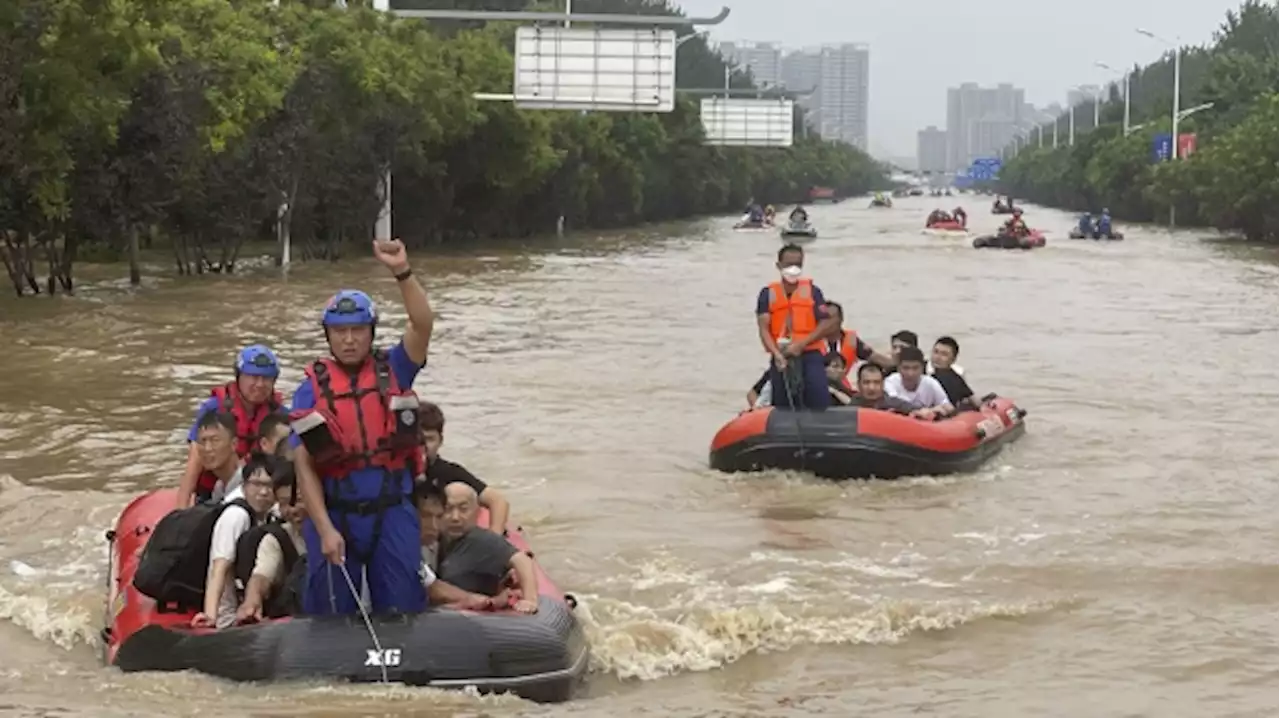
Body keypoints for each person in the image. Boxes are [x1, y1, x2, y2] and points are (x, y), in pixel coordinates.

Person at [290, 238, 435, 617]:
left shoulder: (396, 368)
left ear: (371, 332)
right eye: (340, 331)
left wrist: (402, 271)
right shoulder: (310, 390)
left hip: (392, 510)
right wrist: (323, 529)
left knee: (404, 608)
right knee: (330, 612)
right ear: (328, 336)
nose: (349, 339)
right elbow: (304, 465)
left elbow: (423, 323)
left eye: (357, 330)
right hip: (337, 512)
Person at [175, 344, 284, 508]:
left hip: (260, 491)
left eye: (266, 378)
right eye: (253, 377)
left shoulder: (280, 414)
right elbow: (195, 461)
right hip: (213, 491)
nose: (260, 384)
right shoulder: (214, 408)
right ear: (239, 377)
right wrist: (180, 511)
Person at [192, 452, 279, 629]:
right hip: (228, 619)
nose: (263, 492)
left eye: (270, 486)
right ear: (244, 486)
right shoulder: (236, 517)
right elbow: (219, 568)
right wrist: (211, 616)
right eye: (257, 484)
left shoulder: (270, 515)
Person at [755, 244, 838, 410]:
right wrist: (777, 354)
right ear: (779, 266)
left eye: (798, 265)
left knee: (818, 397)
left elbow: (825, 323)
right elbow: (764, 328)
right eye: (788, 264)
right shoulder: (767, 294)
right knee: (782, 402)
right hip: (781, 354)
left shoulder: (813, 292)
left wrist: (802, 344)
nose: (793, 269)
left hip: (810, 352)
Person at [437, 482, 539, 613]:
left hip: (475, 615)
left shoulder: (483, 540)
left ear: (477, 512)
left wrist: (530, 599)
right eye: (448, 509)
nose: (455, 517)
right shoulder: (433, 539)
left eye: (463, 509)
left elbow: (522, 560)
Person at [417, 402, 511, 535]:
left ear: (440, 441)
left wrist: (495, 538)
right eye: (419, 440)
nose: (424, 447)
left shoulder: (448, 472)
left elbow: (498, 501)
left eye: (430, 439)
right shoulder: (393, 473)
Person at [413, 481, 509, 610]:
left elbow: (432, 585)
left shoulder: (478, 539)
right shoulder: (404, 548)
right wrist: (480, 601)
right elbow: (433, 589)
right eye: (426, 517)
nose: (434, 526)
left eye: (438, 517)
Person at [233, 460, 307, 624]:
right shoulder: (276, 539)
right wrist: (251, 601)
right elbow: (261, 576)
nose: (293, 510)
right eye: (284, 503)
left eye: (300, 500)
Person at [883, 347, 954, 420]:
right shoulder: (890, 382)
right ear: (898, 368)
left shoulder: (931, 383)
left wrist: (940, 410)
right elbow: (894, 404)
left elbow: (947, 406)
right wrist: (925, 410)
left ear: (922, 368)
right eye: (906, 368)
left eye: (915, 368)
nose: (910, 373)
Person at [849, 362, 919, 415]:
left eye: (876, 382)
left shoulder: (895, 405)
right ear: (859, 384)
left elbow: (920, 412)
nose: (871, 388)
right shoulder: (850, 409)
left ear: (883, 384)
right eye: (866, 383)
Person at [928, 336, 978, 409]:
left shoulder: (956, 379)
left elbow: (974, 400)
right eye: (936, 352)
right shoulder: (918, 370)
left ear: (953, 359)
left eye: (944, 354)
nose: (938, 357)